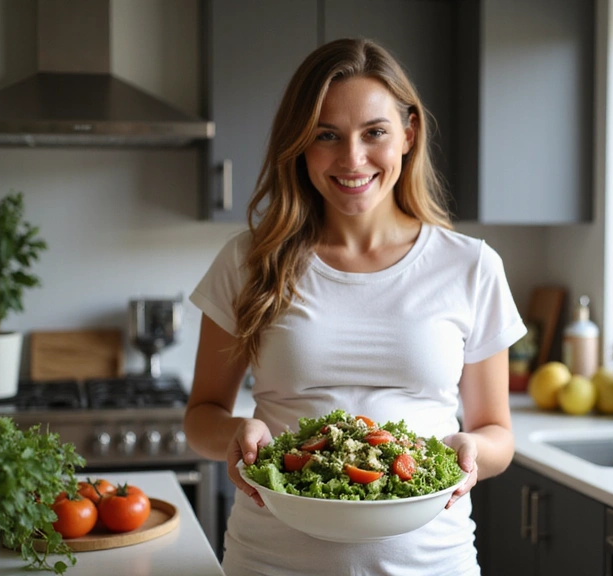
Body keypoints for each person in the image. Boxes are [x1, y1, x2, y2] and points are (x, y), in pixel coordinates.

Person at [184, 37, 527, 576]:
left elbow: (498, 436)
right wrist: (235, 434)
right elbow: (201, 416)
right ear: (299, 144)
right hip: (273, 562)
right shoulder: (250, 261)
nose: (352, 159)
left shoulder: (471, 266)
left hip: (432, 563)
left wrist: (470, 451)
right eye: (327, 135)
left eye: (375, 133)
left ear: (409, 133)